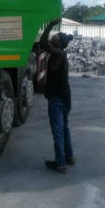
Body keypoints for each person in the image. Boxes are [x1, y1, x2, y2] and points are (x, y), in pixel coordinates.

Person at [39, 18, 75, 173]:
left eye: (55, 37)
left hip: (57, 98)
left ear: (59, 44)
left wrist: (50, 25)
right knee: (64, 128)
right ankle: (69, 157)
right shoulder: (61, 54)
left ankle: (60, 163)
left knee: (58, 132)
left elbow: (42, 43)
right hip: (65, 97)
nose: (52, 38)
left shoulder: (58, 53)